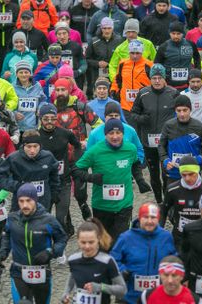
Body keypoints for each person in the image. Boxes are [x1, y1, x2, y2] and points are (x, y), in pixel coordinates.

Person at [0, 183, 67, 304]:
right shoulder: (12, 218)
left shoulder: (48, 220)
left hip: (42, 272)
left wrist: (50, 252)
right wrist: (3, 251)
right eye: (21, 201)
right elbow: (7, 235)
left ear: (35, 200)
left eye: (28, 201)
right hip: (18, 272)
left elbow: (62, 239)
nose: (25, 205)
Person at [73, 119, 137, 241]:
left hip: (124, 205)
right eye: (111, 133)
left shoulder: (131, 149)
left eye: (118, 133)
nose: (115, 137)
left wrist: (139, 179)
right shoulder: (95, 151)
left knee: (120, 240)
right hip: (101, 206)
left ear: (123, 134)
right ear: (105, 134)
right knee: (104, 243)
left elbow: (136, 163)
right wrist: (91, 178)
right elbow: (75, 170)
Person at [111, 203, 177, 303]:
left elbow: (174, 259)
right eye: (146, 217)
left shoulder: (166, 237)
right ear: (139, 218)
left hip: (157, 297)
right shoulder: (126, 237)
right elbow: (113, 259)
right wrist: (122, 271)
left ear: (158, 219)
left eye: (153, 218)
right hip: (130, 296)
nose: (149, 221)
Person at [130, 64, 177, 203]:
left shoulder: (173, 93)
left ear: (164, 79)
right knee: (154, 175)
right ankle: (159, 201)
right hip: (148, 141)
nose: (157, 81)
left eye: (159, 78)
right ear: (150, 79)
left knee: (167, 174)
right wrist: (141, 119)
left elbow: (181, 113)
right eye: (154, 78)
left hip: (166, 142)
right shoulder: (143, 93)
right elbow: (133, 113)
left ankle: (167, 201)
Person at [38, 103, 83, 235]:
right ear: (40, 119)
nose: (50, 122)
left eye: (53, 118)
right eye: (46, 119)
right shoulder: (36, 136)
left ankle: (61, 244)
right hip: (45, 183)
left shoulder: (65, 133)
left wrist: (76, 162)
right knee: (44, 218)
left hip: (64, 181)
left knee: (59, 218)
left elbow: (78, 146)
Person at [61, 220, 126, 304]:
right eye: (83, 242)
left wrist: (100, 287)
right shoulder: (73, 260)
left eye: (91, 242)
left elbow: (122, 290)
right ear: (78, 241)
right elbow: (71, 279)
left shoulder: (107, 261)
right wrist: (65, 294)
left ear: (98, 240)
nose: (87, 246)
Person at [0, 130, 60, 211]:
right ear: (23, 145)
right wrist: (16, 186)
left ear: (40, 145)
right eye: (29, 147)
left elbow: (54, 175)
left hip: (43, 202)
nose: (32, 150)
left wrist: (55, 192)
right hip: (21, 203)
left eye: (35, 146)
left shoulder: (48, 156)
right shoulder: (14, 158)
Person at [161, 156, 202, 244]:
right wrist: (157, 231)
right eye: (184, 175)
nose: (187, 178)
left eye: (191, 174)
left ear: (197, 171)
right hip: (180, 236)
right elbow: (163, 211)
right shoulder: (172, 189)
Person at [110, 40, 153, 123]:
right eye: (132, 53)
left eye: (137, 53)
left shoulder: (149, 65)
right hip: (126, 106)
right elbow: (117, 79)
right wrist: (113, 90)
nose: (135, 56)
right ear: (129, 52)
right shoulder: (122, 63)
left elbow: (156, 82)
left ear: (142, 52)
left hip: (143, 106)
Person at [154, 22, 200, 90]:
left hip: (187, 85)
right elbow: (157, 65)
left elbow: (197, 58)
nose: (176, 36)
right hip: (169, 85)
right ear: (169, 33)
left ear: (183, 34)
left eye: (178, 34)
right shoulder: (164, 46)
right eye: (173, 33)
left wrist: (196, 75)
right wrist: (161, 80)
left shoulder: (190, 44)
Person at [84, 18, 123, 98]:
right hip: (98, 74)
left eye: (109, 28)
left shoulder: (119, 41)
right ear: (101, 28)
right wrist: (97, 63)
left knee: (114, 96)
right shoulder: (94, 41)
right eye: (104, 28)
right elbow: (86, 59)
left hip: (114, 74)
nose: (107, 31)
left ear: (113, 28)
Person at [13, 60, 48, 133]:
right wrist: (14, 113)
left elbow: (43, 100)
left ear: (30, 74)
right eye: (21, 72)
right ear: (16, 74)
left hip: (34, 127)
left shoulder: (37, 86)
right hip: (18, 127)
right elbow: (8, 105)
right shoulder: (12, 87)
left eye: (26, 72)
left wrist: (40, 108)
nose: (24, 75)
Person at [54, 22, 87, 89]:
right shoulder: (53, 47)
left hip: (75, 78)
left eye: (64, 33)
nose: (62, 37)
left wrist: (78, 72)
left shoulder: (76, 46)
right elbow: (47, 64)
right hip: (59, 79)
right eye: (59, 34)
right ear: (56, 36)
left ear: (69, 34)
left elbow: (84, 64)